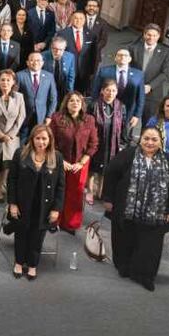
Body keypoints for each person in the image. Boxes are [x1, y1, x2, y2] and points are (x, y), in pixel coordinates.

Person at [101, 126, 169, 291]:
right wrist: (108, 199)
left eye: (154, 139)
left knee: (150, 247)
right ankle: (124, 268)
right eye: (146, 138)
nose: (150, 142)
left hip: (156, 215)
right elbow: (111, 174)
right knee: (125, 240)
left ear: (160, 142)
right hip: (127, 210)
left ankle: (145, 276)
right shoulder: (128, 154)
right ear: (140, 139)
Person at [7, 124, 65, 280]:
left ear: (50, 140)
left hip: (44, 206)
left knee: (37, 237)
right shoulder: (20, 154)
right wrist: (12, 203)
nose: (41, 142)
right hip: (22, 204)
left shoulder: (57, 157)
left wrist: (56, 209)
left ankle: (32, 265)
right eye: (38, 138)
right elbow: (12, 180)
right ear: (32, 139)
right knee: (21, 234)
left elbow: (60, 186)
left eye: (44, 138)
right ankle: (19, 262)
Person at [49, 92, 98, 232]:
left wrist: (81, 163)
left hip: (80, 163)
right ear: (66, 103)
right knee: (58, 191)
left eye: (78, 100)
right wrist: (60, 161)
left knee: (75, 194)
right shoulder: (57, 118)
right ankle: (54, 220)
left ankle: (70, 224)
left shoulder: (89, 119)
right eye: (71, 100)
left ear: (82, 104)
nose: (75, 103)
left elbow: (93, 144)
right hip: (60, 161)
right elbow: (51, 142)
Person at [89, 78, 131, 205]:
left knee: (108, 167)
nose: (110, 93)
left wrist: (123, 143)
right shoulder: (94, 105)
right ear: (102, 91)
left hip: (113, 142)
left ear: (117, 92)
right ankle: (90, 191)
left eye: (113, 90)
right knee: (94, 167)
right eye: (108, 90)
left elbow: (124, 126)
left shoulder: (121, 106)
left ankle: (101, 191)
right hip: (97, 140)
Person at [0, 70, 25, 203]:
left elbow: (21, 117)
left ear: (13, 82)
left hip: (11, 139)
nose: (5, 82)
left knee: (6, 168)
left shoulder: (19, 97)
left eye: (8, 80)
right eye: (3, 80)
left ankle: (0, 192)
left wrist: (10, 135)